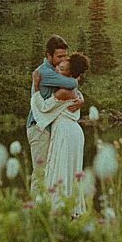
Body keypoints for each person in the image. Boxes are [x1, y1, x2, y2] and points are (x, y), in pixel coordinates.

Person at [29, 52, 89, 212]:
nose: (57, 72)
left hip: (65, 132)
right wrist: (82, 99)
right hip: (73, 132)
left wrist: (35, 86)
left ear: (69, 75)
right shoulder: (70, 88)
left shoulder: (64, 91)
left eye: (62, 70)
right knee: (68, 171)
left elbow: (43, 107)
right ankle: (69, 208)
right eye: (58, 67)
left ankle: (57, 209)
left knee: (59, 170)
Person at [26, 35, 83, 179]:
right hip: (39, 127)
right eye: (59, 56)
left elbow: (70, 91)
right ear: (48, 56)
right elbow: (72, 84)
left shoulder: (58, 69)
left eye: (65, 56)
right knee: (40, 173)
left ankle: (48, 202)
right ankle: (37, 202)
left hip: (49, 126)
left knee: (50, 173)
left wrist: (81, 99)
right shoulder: (45, 72)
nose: (63, 59)